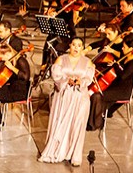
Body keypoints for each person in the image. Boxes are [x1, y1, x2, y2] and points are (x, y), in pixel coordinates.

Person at [39, 37, 94, 167]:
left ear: (82, 48)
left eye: (79, 45)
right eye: (74, 45)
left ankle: (74, 155)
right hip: (63, 96)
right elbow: (56, 76)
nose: (76, 48)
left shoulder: (88, 62)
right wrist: (65, 80)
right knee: (60, 122)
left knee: (77, 125)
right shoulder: (61, 59)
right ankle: (57, 151)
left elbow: (88, 78)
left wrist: (81, 82)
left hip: (80, 97)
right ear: (70, 46)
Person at [87, 35, 133, 131]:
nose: (122, 48)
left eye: (124, 47)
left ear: (131, 49)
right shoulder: (126, 57)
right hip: (117, 86)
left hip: (123, 91)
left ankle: (95, 123)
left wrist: (116, 66)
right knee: (98, 93)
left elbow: (123, 76)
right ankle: (97, 118)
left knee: (96, 96)